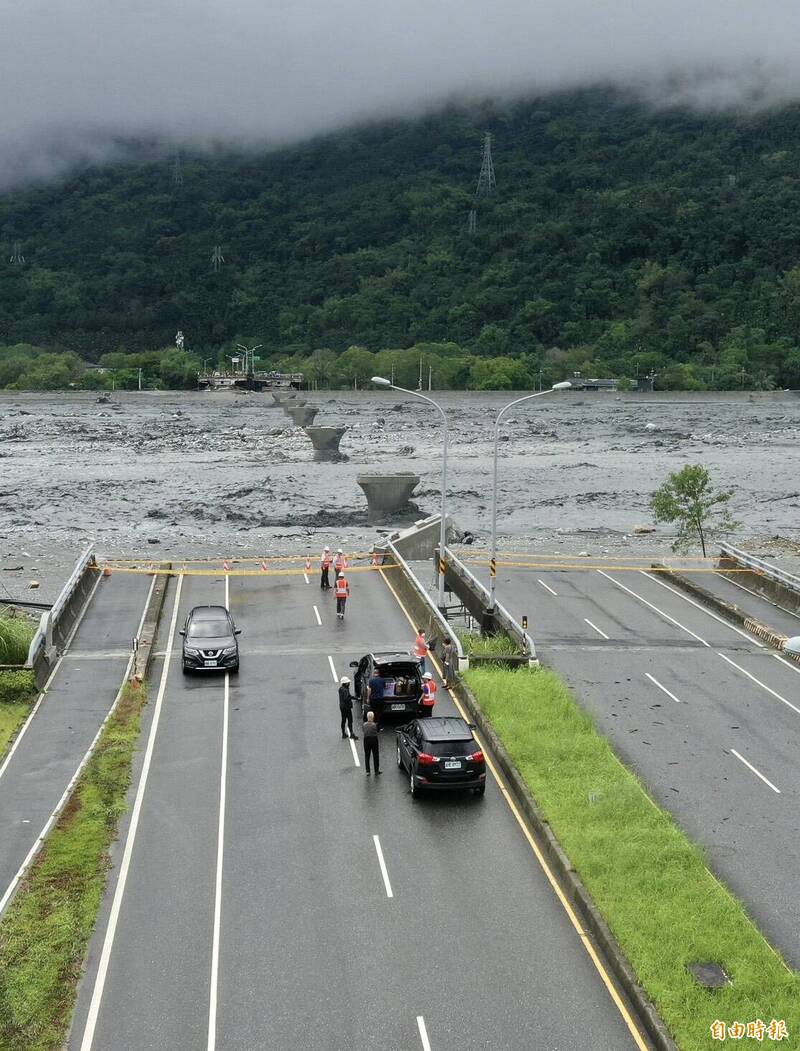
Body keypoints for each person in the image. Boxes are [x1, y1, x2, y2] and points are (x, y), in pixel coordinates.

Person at [362, 710, 381, 775]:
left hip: (366, 740)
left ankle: (368, 771)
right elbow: (378, 730)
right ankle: (376, 770)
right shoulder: (375, 725)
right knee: (375, 755)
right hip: (374, 740)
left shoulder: (364, 725)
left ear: (367, 717)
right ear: (373, 717)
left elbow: (363, 730)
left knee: (367, 755)